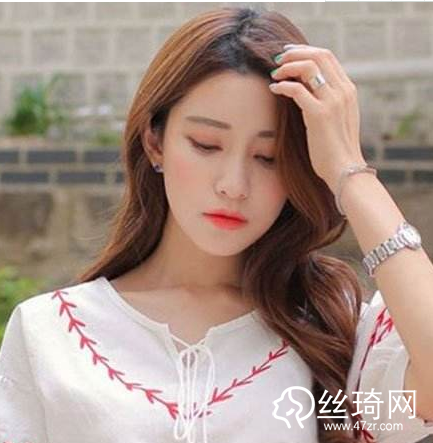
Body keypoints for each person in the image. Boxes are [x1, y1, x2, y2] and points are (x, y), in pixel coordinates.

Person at [1, 6, 433, 443]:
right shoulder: (50, 335)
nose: (233, 185)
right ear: (155, 141)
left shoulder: (334, 335)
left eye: (268, 158)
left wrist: (348, 169)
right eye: (206, 145)